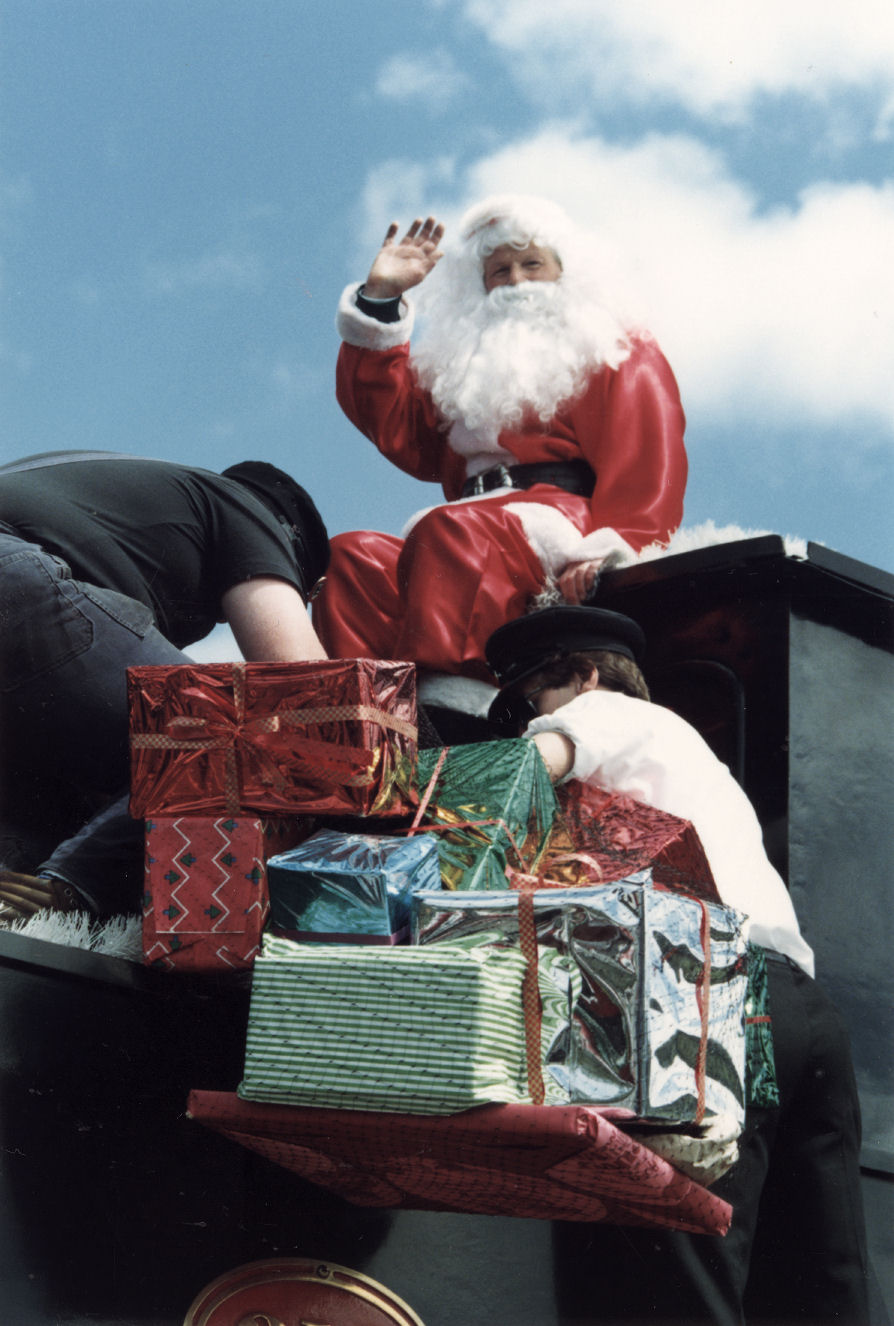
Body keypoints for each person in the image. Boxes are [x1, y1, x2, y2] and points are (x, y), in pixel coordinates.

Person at [485, 604, 877, 1325]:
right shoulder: (693, 757)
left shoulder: (606, 711)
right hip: (792, 1003)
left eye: (528, 699)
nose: (524, 721)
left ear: (584, 675)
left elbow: (523, 770)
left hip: (700, 994)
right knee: (818, 1284)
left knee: (666, 1282)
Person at [313, 194, 687, 686]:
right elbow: (399, 426)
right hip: (465, 526)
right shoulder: (463, 363)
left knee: (451, 531)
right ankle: (360, 710)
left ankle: (451, 702)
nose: (516, 281)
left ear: (564, 272)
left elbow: (648, 460)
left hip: (558, 521)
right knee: (351, 556)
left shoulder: (610, 346)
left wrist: (614, 546)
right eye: (500, 270)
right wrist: (381, 297)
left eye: (532, 264)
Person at [0, 451, 329, 921]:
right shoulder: (245, 508)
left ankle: (18, 897)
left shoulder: (139, 506)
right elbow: (307, 688)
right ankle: (65, 899)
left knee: (56, 812)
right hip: (14, 580)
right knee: (239, 732)